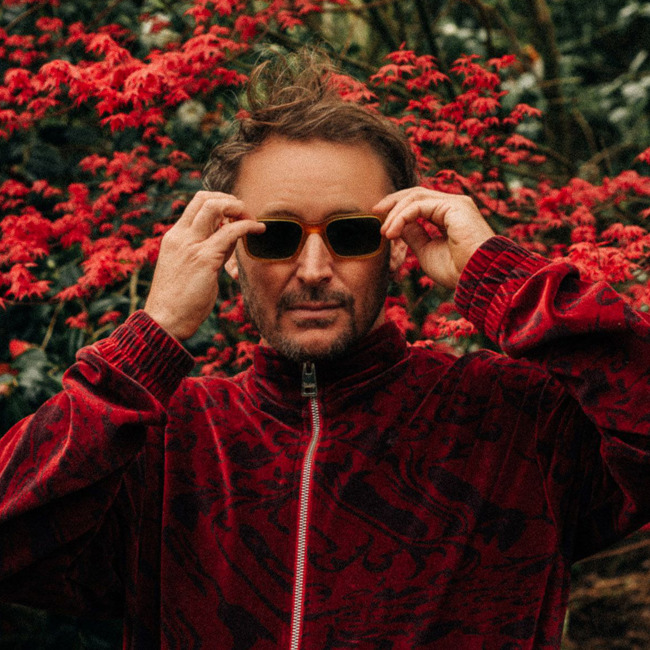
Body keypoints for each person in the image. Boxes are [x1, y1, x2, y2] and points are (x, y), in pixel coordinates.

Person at [1, 50, 649, 650]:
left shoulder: (518, 427)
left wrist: (504, 278)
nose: (313, 267)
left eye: (350, 232)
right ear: (228, 253)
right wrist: (155, 333)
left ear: (398, 243)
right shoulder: (169, 444)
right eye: (277, 235)